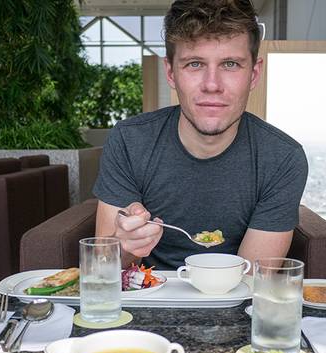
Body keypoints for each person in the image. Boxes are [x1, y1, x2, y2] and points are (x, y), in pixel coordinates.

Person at [94, 0, 308, 270]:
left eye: (230, 64)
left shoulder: (282, 158)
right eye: (195, 64)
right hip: (144, 299)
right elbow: (103, 266)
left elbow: (251, 279)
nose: (212, 85)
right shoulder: (129, 141)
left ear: (254, 75)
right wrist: (125, 246)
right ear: (171, 73)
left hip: (235, 304)